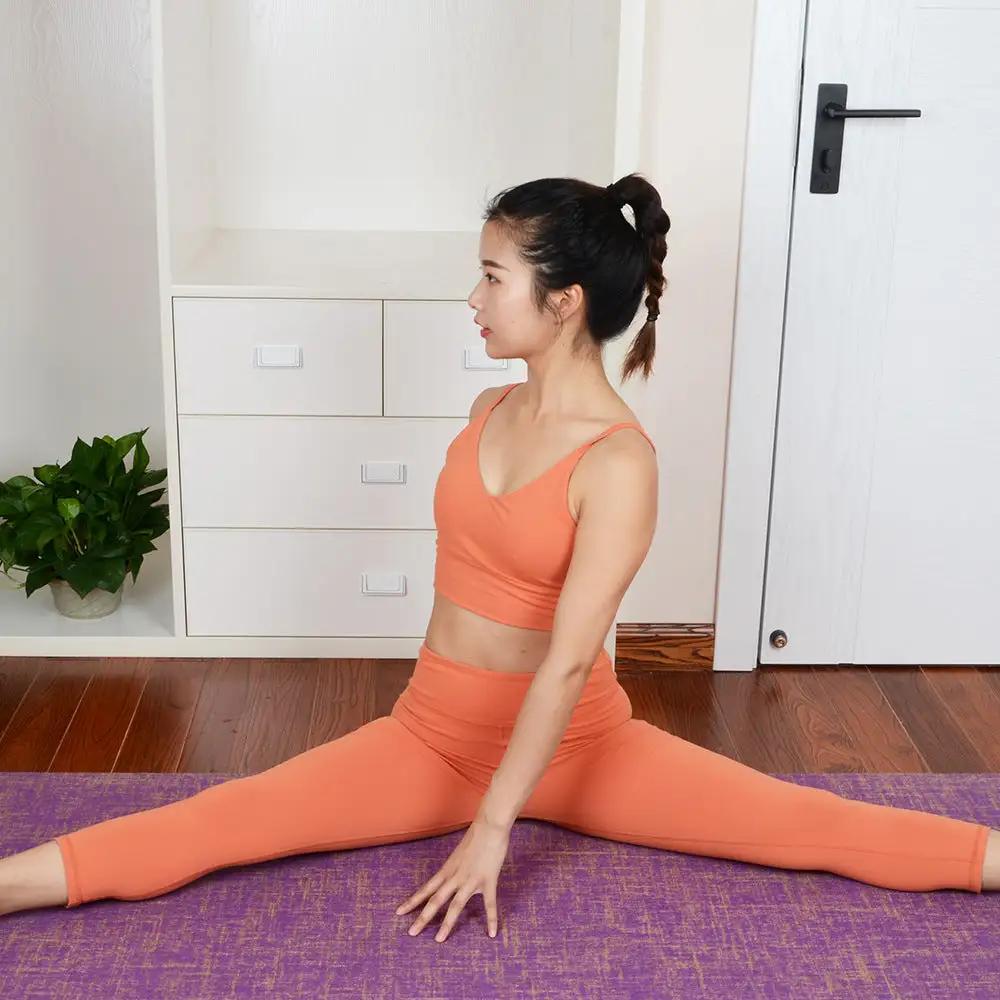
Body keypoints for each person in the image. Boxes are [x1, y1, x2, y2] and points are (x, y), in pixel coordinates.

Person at [1, 175, 996, 936]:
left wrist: (492, 826)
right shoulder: (490, 406)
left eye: (491, 274)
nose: (471, 294)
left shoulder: (618, 465)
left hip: (580, 750)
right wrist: (459, 786)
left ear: (562, 300)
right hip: (427, 733)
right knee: (224, 821)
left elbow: (568, 659)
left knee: (814, 828)